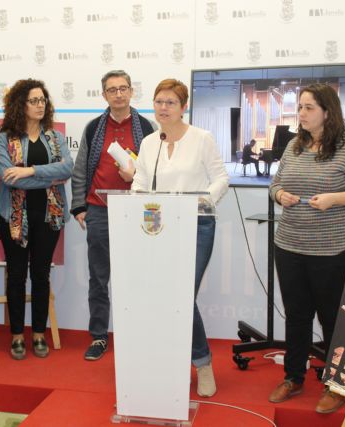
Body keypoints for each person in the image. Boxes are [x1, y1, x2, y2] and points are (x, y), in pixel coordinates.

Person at [268, 83, 345, 413]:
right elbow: (275, 184)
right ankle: (293, 377)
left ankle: (335, 384)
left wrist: (335, 199)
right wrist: (280, 195)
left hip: (333, 249)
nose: (301, 113)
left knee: (332, 318)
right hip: (289, 245)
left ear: (328, 112)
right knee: (296, 315)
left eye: (308, 107)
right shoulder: (294, 145)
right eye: (300, 107)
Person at [131, 78, 229, 397]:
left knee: (182, 296)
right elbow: (140, 181)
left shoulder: (202, 138)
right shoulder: (150, 142)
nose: (163, 108)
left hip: (196, 223)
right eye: (159, 102)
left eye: (171, 102)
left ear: (184, 107)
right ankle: (169, 362)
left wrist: (204, 199)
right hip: (158, 225)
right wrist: (135, 198)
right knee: (163, 297)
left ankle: (202, 364)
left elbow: (221, 178)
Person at [70, 70, 154, 361]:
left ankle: (137, 334)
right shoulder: (94, 128)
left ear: (131, 91)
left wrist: (135, 176)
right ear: (104, 95)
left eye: (123, 88)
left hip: (137, 212)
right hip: (99, 211)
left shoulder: (148, 127)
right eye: (112, 90)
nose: (118, 94)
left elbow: (156, 171)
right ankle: (98, 336)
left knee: (138, 277)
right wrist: (79, 207)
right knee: (99, 277)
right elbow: (80, 170)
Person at [0, 79, 73, 360]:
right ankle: (17, 335)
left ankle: (39, 333)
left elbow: (67, 168)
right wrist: (50, 177)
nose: (41, 105)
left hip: (49, 216)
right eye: (34, 101)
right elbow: (9, 178)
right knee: (16, 275)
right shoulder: (5, 138)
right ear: (20, 105)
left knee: (41, 274)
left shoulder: (55, 137)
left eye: (43, 100)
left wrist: (29, 171)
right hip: (14, 217)